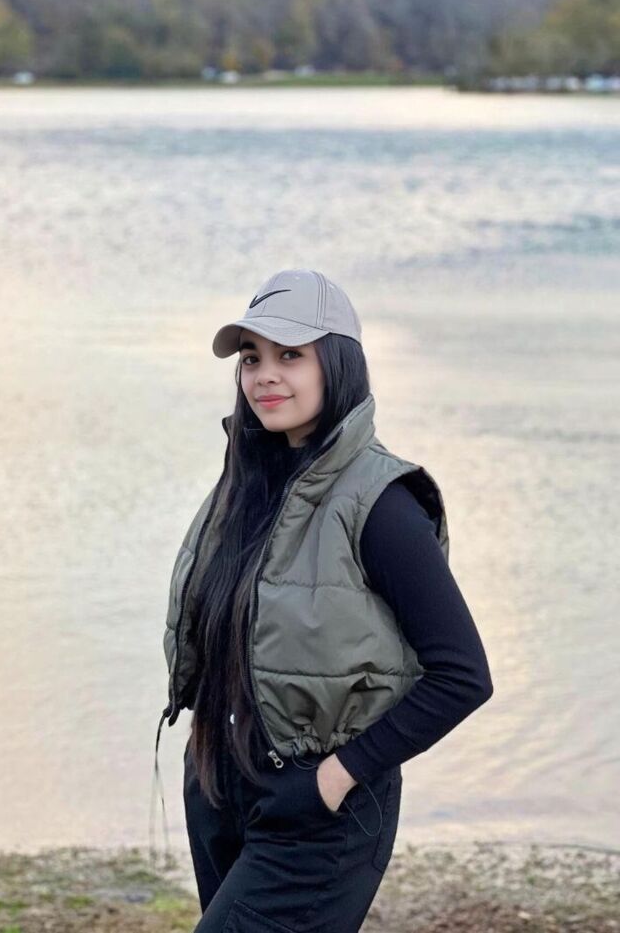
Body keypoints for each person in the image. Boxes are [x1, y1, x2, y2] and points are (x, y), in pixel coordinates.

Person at [155, 268, 494, 932]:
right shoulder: (245, 486)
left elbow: (462, 675)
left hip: (317, 810)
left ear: (336, 363)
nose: (264, 375)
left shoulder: (380, 501)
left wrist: (333, 779)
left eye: (290, 355)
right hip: (222, 788)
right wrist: (205, 759)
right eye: (251, 357)